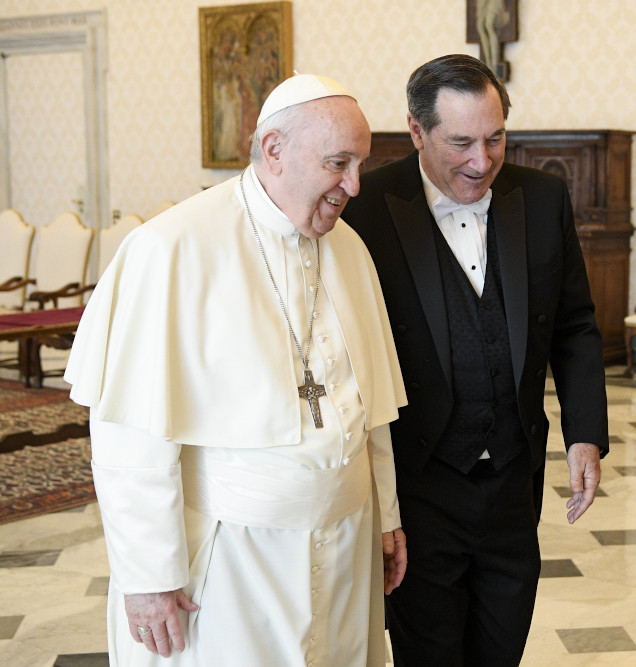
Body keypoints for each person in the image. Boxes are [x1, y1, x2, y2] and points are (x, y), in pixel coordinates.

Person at [64, 74, 408, 666]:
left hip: (348, 541)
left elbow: (371, 409)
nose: (354, 184)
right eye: (338, 162)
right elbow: (130, 436)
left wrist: (388, 517)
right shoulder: (169, 249)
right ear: (274, 151)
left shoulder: (349, 248)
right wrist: (148, 575)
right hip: (236, 559)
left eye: (360, 163)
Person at [343, 54, 609, 666]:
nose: (481, 162)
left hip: (514, 484)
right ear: (416, 132)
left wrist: (585, 435)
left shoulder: (542, 198)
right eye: (460, 142)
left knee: (501, 647)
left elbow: (574, 326)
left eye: (495, 140)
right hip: (419, 486)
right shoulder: (367, 209)